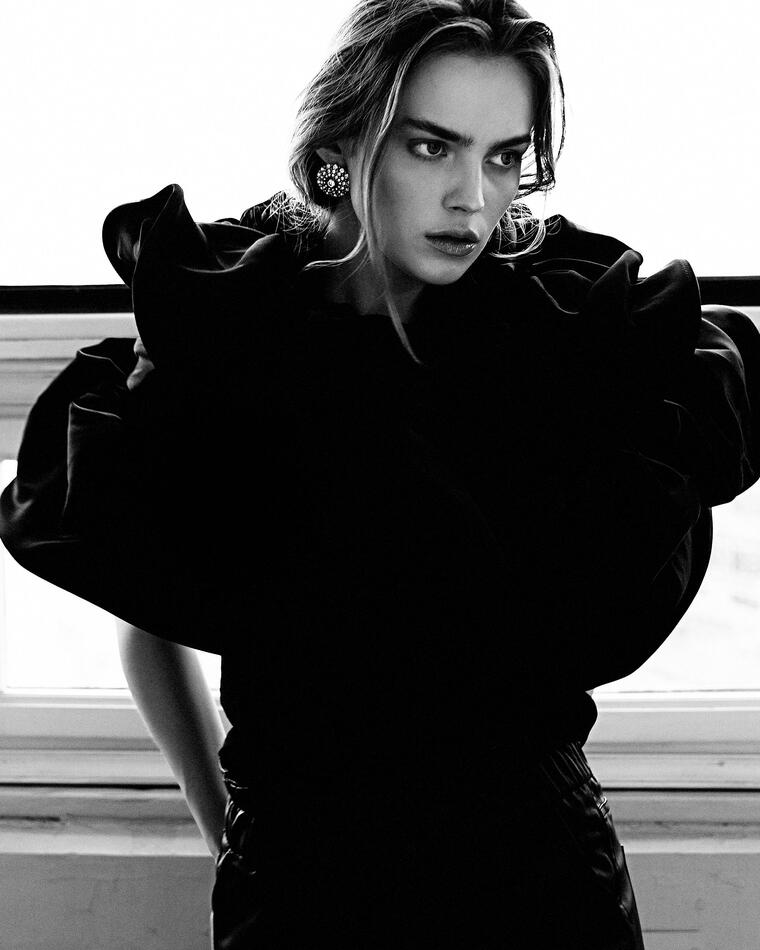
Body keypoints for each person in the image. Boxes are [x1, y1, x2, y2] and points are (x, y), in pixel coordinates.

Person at [1, 1, 759, 946]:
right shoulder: (241, 324)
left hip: (542, 879)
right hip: (300, 884)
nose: (472, 199)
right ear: (342, 146)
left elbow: (644, 525)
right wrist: (229, 829)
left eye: (504, 156)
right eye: (432, 148)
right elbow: (147, 606)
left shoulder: (551, 332)